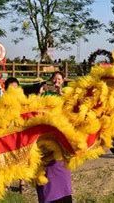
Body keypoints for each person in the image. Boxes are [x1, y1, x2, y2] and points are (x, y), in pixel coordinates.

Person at [37, 72, 72, 203]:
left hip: (60, 141)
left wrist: (61, 93)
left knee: (61, 176)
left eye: (59, 79)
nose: (56, 81)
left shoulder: (66, 94)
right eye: (55, 79)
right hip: (47, 138)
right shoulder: (46, 95)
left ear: (63, 81)